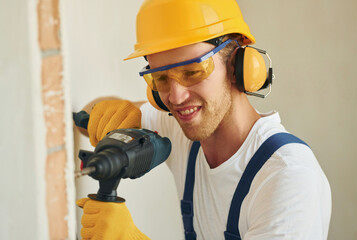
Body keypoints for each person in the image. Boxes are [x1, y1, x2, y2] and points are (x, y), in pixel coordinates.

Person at [76, 0, 332, 239]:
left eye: (192, 72)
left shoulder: (287, 176)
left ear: (237, 66)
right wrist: (115, 111)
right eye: (161, 78)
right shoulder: (179, 128)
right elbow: (84, 118)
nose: (176, 98)